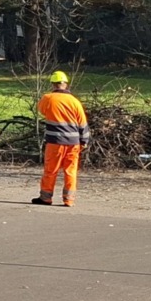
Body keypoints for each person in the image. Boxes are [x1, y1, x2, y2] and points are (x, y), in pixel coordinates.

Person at [32, 70, 90, 207]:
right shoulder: (75, 101)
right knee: (70, 171)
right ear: (66, 84)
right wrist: (84, 141)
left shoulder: (48, 98)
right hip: (74, 143)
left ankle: (45, 198)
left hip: (55, 142)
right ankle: (69, 200)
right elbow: (83, 124)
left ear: (53, 84)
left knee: (50, 170)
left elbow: (42, 111)